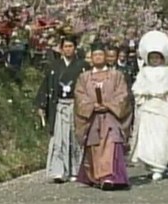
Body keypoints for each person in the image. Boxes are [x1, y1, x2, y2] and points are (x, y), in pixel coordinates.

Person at [74, 41, 132, 190]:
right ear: (91, 58)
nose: (98, 57)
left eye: (101, 54)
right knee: (94, 145)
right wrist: (92, 106)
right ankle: (96, 177)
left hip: (111, 116)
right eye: (95, 55)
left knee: (112, 144)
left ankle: (110, 177)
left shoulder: (116, 75)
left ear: (106, 57)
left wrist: (108, 105)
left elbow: (123, 95)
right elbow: (80, 97)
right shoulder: (84, 77)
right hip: (92, 117)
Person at [35, 36, 89, 183]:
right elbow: (45, 86)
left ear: (75, 48)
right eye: (65, 46)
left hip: (75, 105)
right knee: (58, 138)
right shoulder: (54, 66)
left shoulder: (83, 66)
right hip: (58, 105)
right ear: (61, 49)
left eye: (71, 46)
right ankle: (58, 171)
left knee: (74, 138)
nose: (68, 49)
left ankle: (75, 170)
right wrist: (41, 105)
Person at [130, 31, 168, 181]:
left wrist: (164, 93)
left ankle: (160, 164)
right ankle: (150, 163)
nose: (154, 60)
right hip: (148, 107)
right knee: (148, 137)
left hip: (163, 107)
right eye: (151, 57)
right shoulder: (143, 72)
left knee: (162, 136)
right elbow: (136, 89)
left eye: (157, 57)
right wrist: (145, 93)